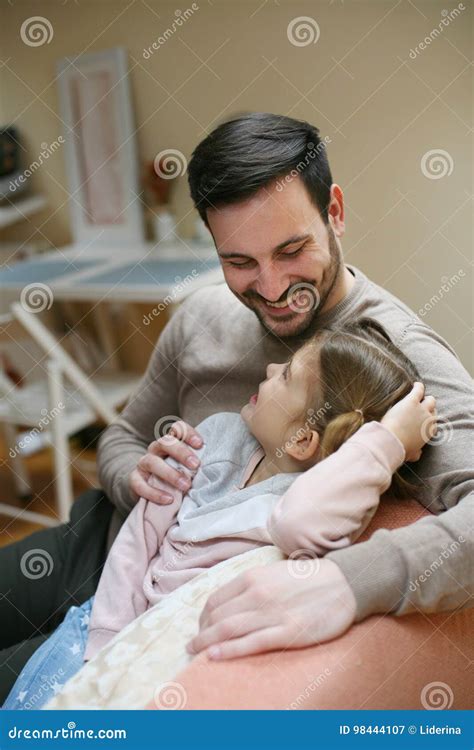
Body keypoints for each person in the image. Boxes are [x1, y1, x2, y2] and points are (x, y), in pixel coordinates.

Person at [1, 112, 472, 697]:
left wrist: (348, 583)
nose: (271, 288)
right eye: (239, 262)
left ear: (335, 213)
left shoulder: (394, 359)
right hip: (104, 540)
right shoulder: (202, 317)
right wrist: (137, 477)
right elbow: (121, 439)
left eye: (292, 249)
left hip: (164, 608)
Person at [3, 319, 437, 709]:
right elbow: (140, 536)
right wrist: (104, 638)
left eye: (284, 375)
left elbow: (295, 524)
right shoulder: (214, 437)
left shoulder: (323, 502)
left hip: (151, 647)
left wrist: (388, 441)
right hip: (103, 616)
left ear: (305, 439)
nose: (268, 372)